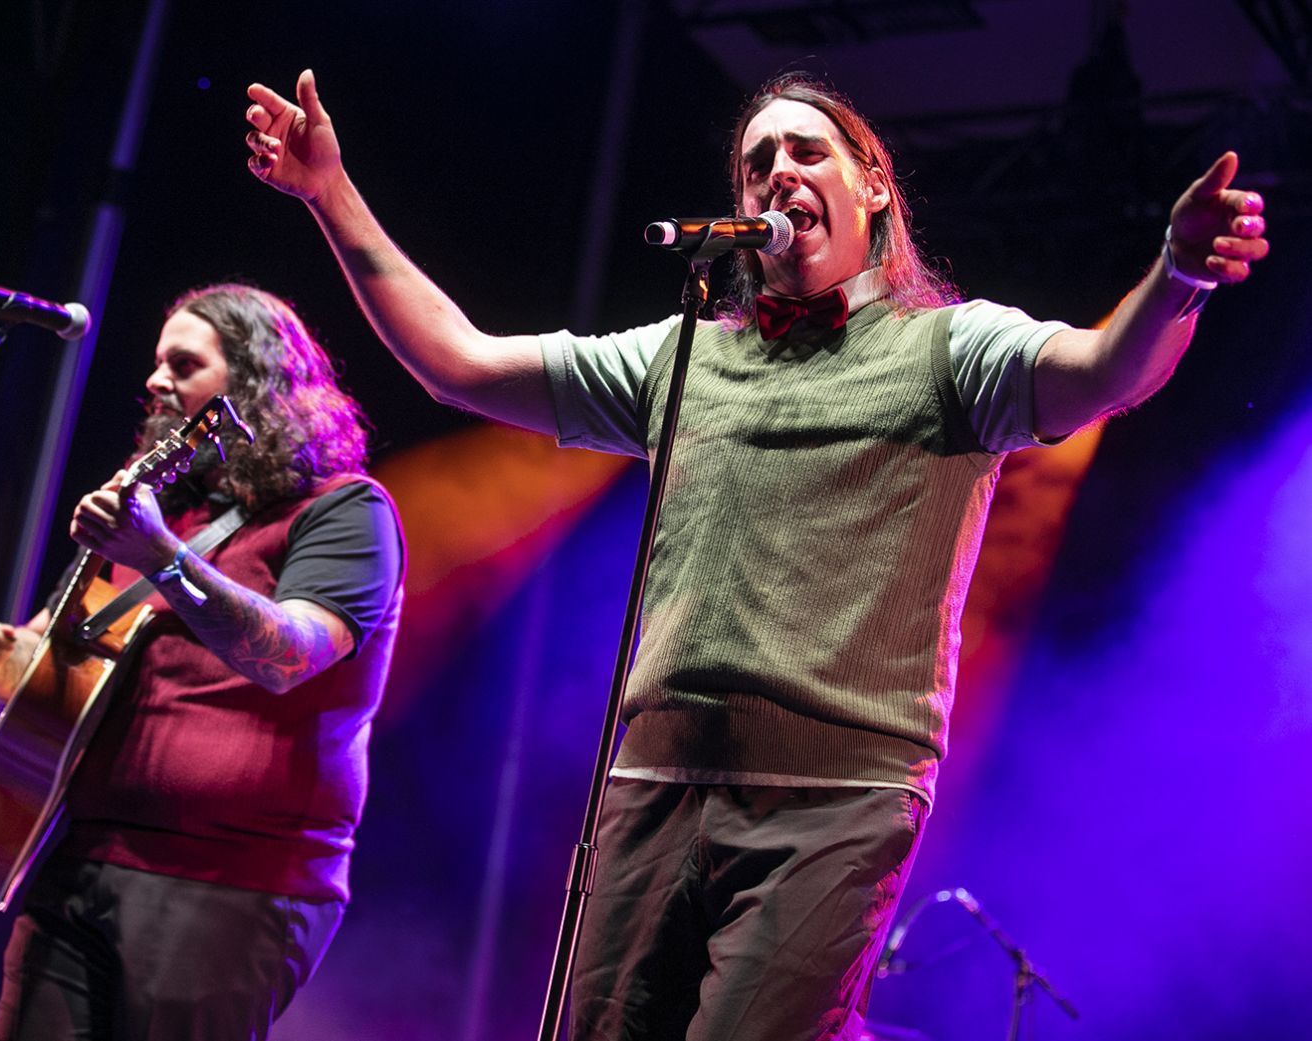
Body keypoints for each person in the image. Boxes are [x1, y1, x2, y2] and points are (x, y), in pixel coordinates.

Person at [241, 68, 1268, 1041]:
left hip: (837, 798)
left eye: (807, 152)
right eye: (756, 162)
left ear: (873, 187)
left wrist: (1177, 275)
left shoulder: (951, 349)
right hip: (654, 784)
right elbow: (459, 363)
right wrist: (330, 193)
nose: (779, 172)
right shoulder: (685, 355)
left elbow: (1102, 370)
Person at [0, 284, 405, 1040]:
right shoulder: (160, 511)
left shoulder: (345, 511)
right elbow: (69, 655)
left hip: (233, 882)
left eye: (184, 364)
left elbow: (290, 657)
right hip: (82, 854)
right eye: (159, 362)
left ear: (255, 382)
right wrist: (12, 658)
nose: (156, 380)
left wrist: (162, 556)